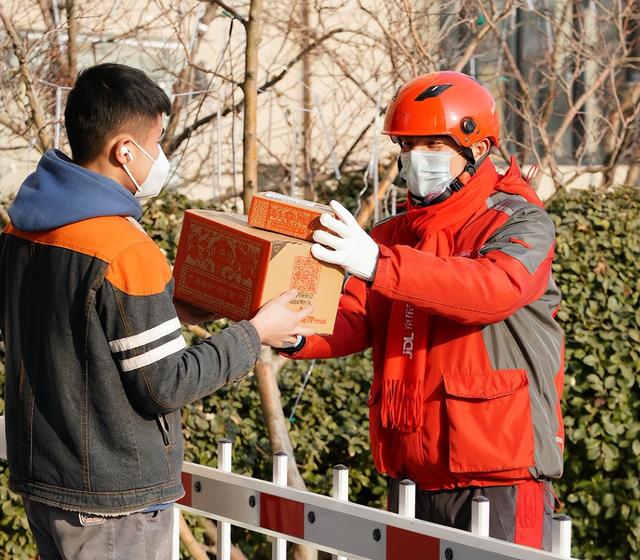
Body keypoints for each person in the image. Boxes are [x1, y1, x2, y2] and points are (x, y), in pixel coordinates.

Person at [0, 63, 313, 560]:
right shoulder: (125, 248)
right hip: (112, 502)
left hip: (47, 481)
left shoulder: (22, 229)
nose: (162, 157)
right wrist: (255, 334)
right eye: (158, 142)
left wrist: (169, 310)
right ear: (125, 150)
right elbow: (164, 385)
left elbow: (72, 329)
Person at [283, 71, 564, 549]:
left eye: (434, 144)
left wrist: (378, 263)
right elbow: (353, 316)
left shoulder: (520, 221)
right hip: (412, 466)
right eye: (408, 146)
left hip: (498, 471)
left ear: (478, 148)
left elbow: (491, 290)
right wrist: (291, 332)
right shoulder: (392, 236)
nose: (417, 158)